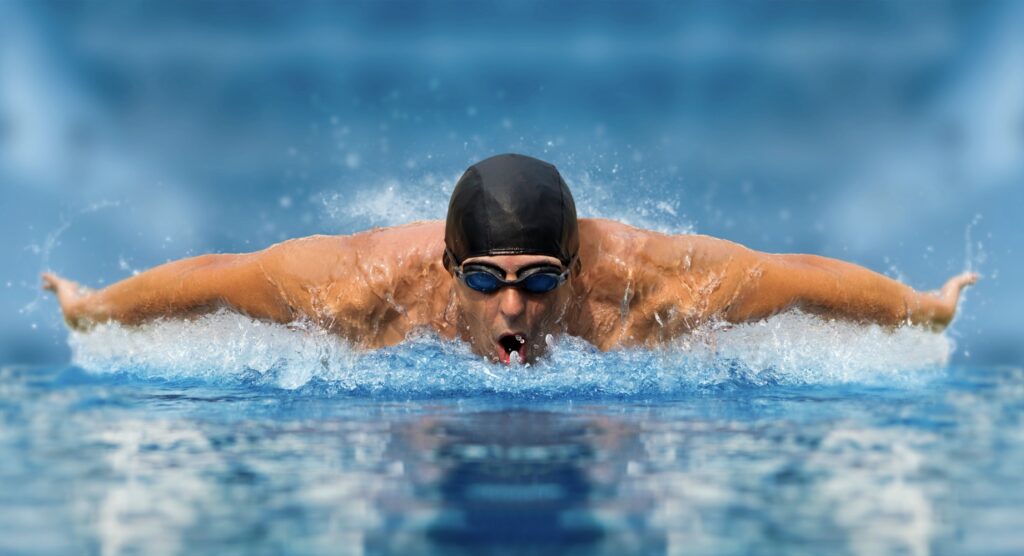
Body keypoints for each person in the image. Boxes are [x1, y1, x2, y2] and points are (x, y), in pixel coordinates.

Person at [43, 153, 977, 365]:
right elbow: (218, 276)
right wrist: (95, 307)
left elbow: (793, 275)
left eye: (539, 282)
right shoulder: (364, 288)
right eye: (487, 281)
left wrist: (920, 308)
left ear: (574, 272)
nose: (516, 310)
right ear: (451, 270)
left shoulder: (642, 290)